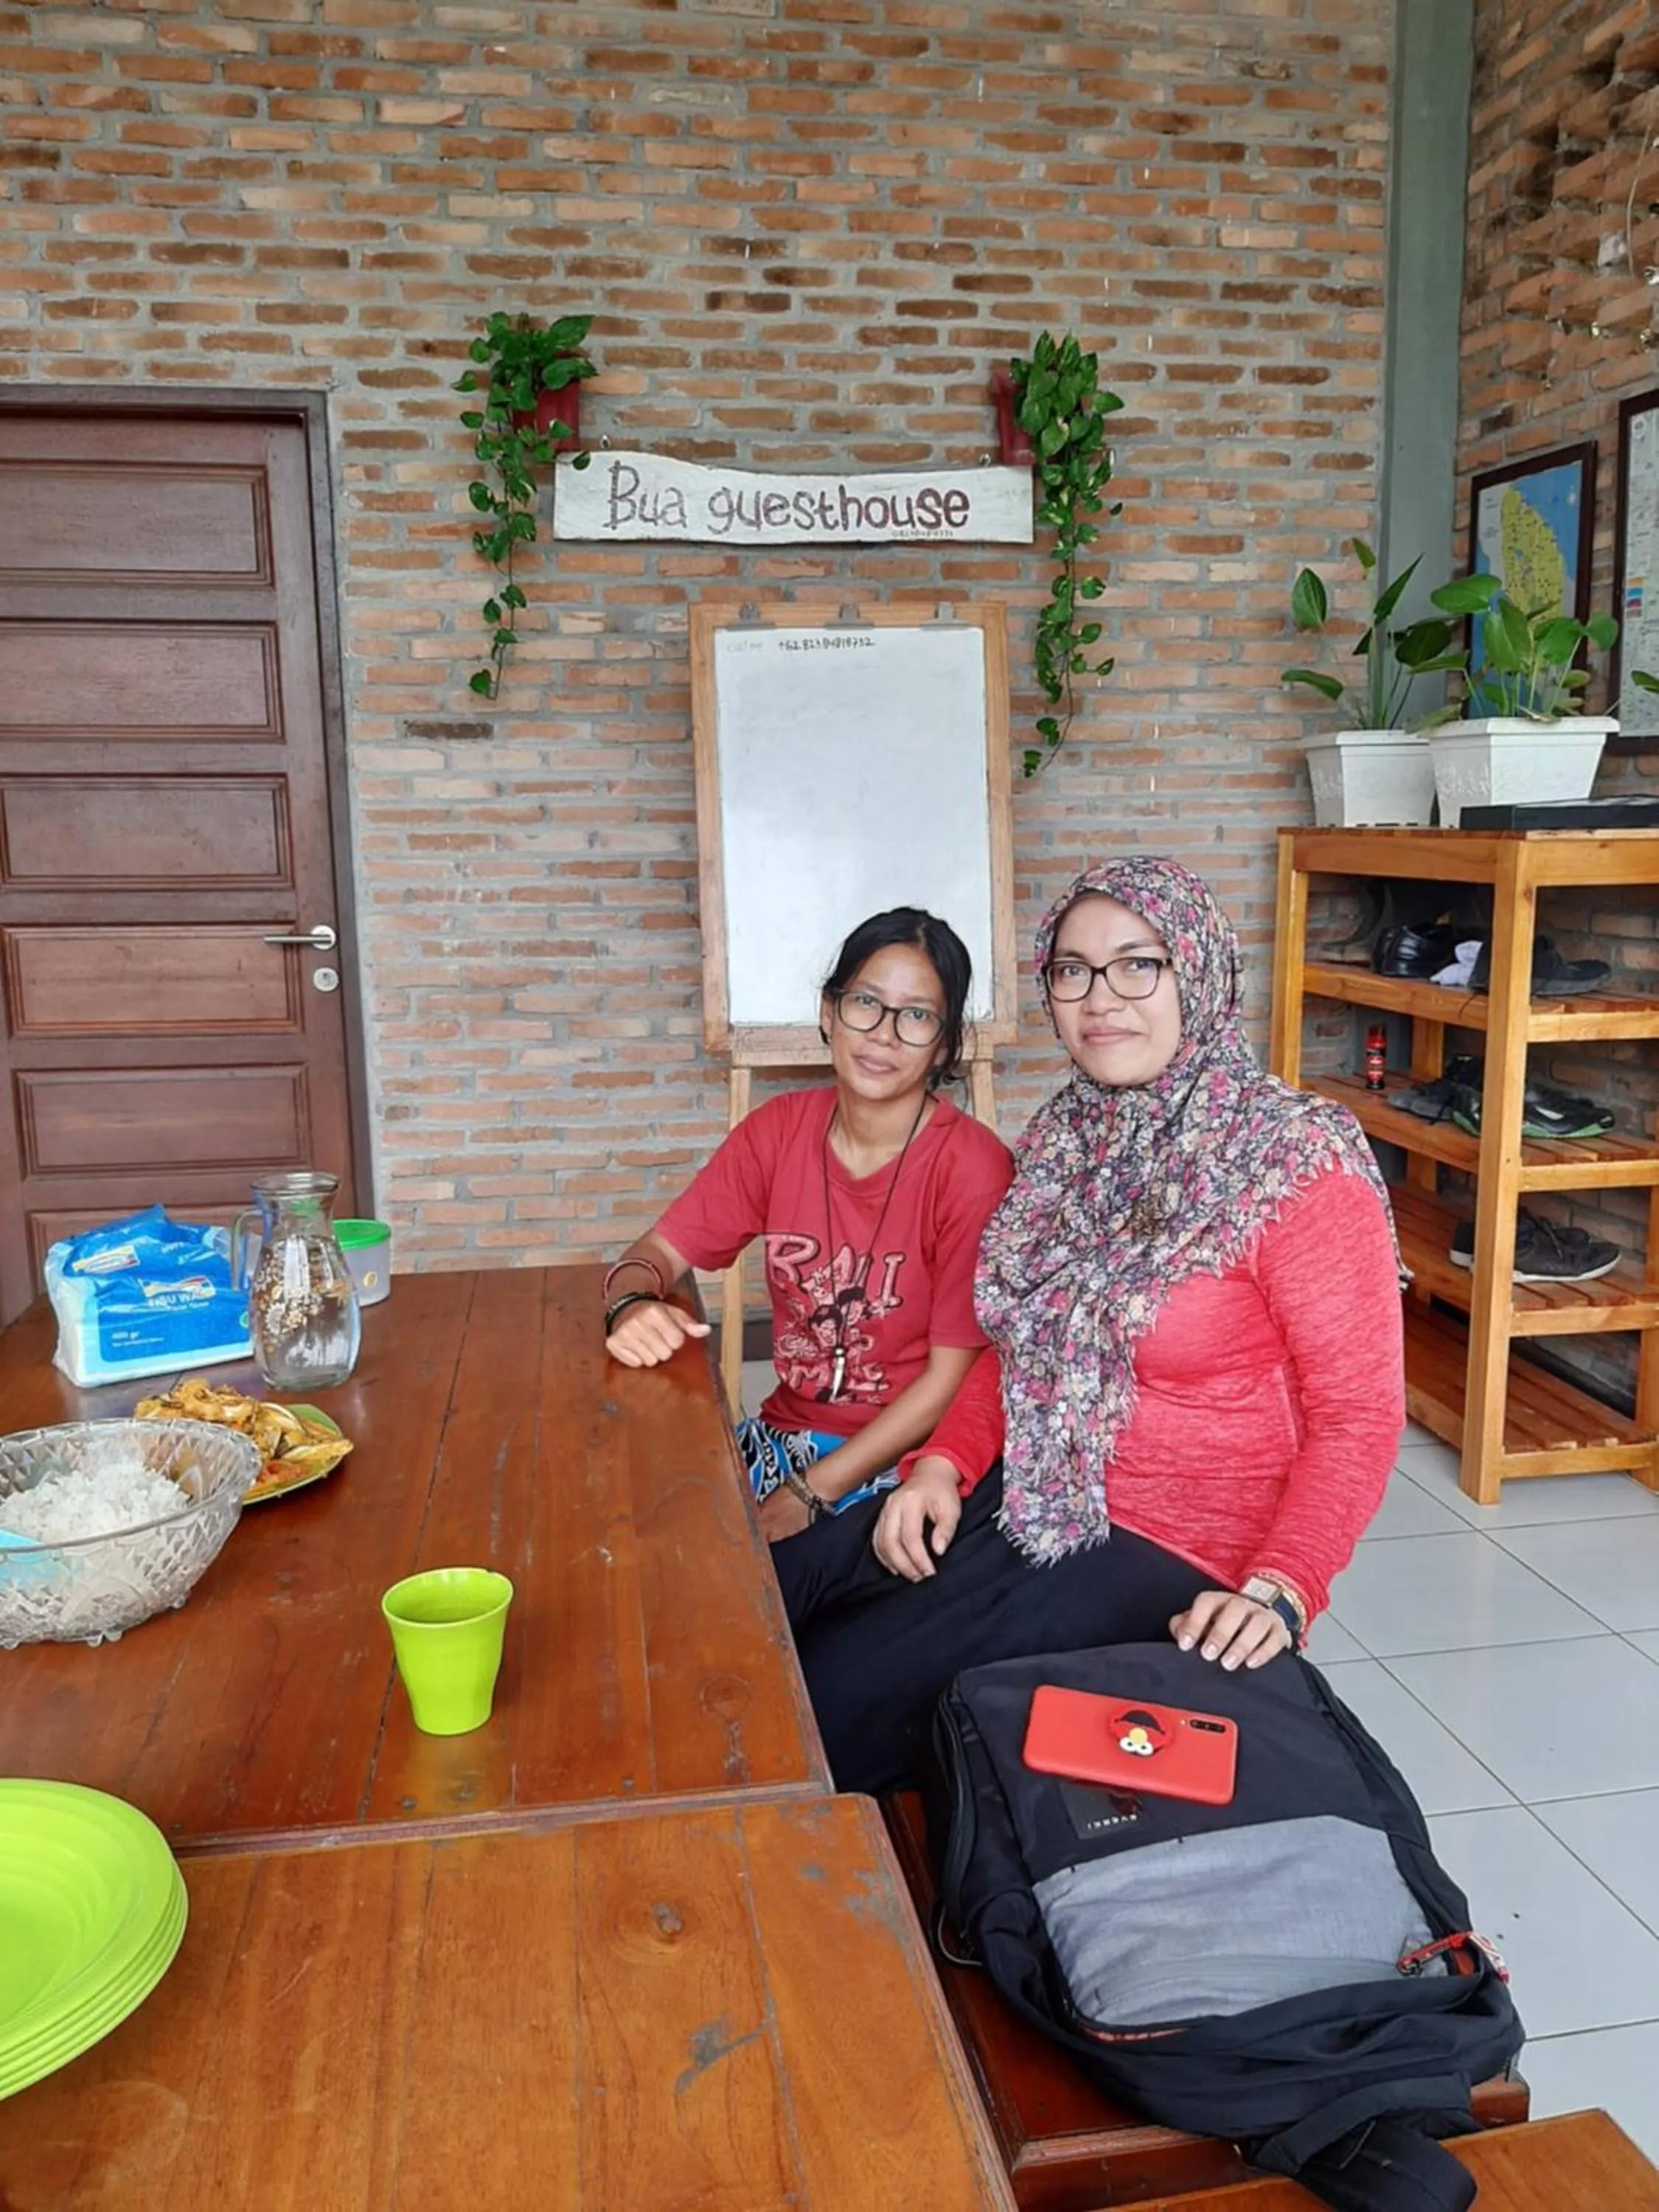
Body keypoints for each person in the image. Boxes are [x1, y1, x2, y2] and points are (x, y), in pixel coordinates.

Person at [776, 858, 1405, 1795]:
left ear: (1196, 970)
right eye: (1072, 971)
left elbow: (1358, 1417)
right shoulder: (1064, 1141)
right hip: (1031, 1490)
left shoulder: (1296, 1160)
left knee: (823, 1701)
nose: (1100, 999)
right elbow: (1022, 1348)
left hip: (1172, 1551)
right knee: (777, 1597)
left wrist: (1282, 1587)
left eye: (1136, 965)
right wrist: (939, 1468)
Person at [603, 908, 1014, 1545]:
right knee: (639, 1537)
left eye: (916, 1016)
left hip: (905, 1465)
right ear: (829, 1012)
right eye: (865, 1004)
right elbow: (654, 1253)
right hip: (784, 1436)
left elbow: (949, 1378)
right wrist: (630, 1305)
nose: (883, 1034)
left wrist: (809, 1493)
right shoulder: (777, 1132)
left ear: (943, 1043)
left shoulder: (972, 1168)